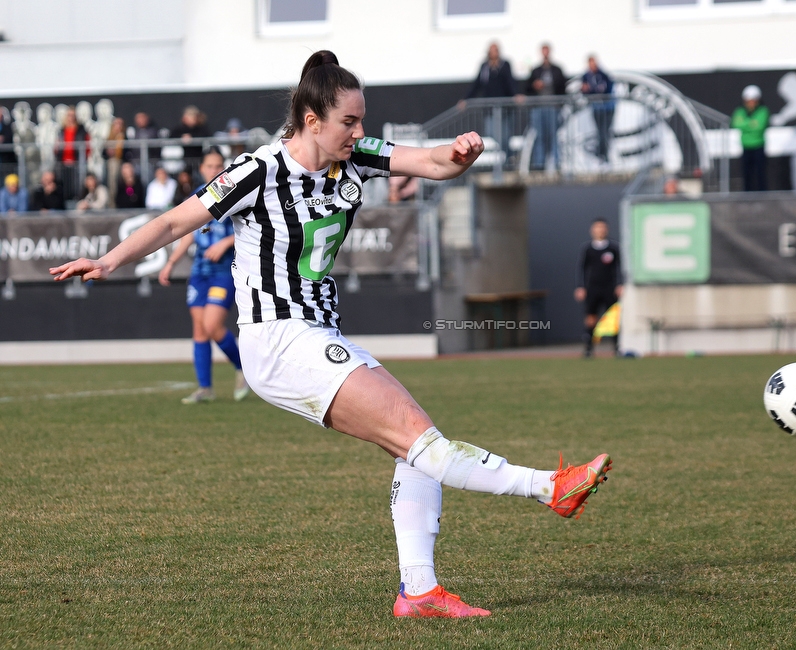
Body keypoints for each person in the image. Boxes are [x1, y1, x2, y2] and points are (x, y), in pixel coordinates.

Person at [50, 50, 613, 619]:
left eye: (362, 120)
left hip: (316, 334)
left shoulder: (358, 158)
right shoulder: (260, 170)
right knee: (424, 443)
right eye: (349, 121)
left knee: (414, 449)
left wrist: (462, 154)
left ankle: (418, 591)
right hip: (278, 338)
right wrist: (108, 260)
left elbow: (435, 163)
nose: (360, 132)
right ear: (312, 121)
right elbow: (175, 221)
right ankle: (550, 487)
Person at [158, 148, 249, 405]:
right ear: (202, 169)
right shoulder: (195, 197)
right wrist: (171, 263)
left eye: (219, 165)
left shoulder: (235, 193)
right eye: (210, 166)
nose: (215, 170)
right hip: (199, 273)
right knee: (199, 329)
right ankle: (205, 388)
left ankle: (243, 368)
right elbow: (187, 233)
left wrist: (226, 242)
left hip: (223, 272)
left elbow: (251, 228)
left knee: (212, 326)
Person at [459, 42, 520, 159]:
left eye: (496, 50)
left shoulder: (504, 65)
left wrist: (515, 94)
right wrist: (466, 99)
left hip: (504, 108)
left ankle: (508, 160)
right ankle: (511, 155)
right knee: (491, 131)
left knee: (505, 135)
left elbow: (510, 82)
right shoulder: (484, 67)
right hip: (490, 109)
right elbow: (477, 85)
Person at [574, 218, 623, 358]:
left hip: (610, 288)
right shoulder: (587, 249)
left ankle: (617, 348)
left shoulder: (613, 248)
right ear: (592, 230)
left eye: (602, 227)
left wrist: (620, 284)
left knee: (613, 318)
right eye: (597, 227)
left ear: (606, 229)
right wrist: (580, 287)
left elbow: (619, 267)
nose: (600, 230)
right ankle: (589, 348)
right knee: (591, 317)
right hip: (593, 288)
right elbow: (581, 268)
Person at [525, 43, 567, 171]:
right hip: (539, 108)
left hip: (553, 108)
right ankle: (540, 165)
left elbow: (562, 87)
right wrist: (534, 85)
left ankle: (556, 164)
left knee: (553, 137)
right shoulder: (536, 71)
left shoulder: (557, 70)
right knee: (540, 137)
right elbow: (527, 88)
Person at [731, 85, 769, 192]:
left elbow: (760, 126)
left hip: (759, 146)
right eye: (748, 101)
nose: (750, 103)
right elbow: (736, 123)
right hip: (746, 146)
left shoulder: (763, 111)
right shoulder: (740, 111)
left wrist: (745, 124)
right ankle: (747, 195)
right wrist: (751, 124)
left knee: (760, 173)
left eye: (753, 100)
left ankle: (763, 195)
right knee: (747, 174)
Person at [580, 55, 615, 164]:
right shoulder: (586, 76)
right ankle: (602, 154)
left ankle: (604, 154)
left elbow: (608, 88)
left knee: (605, 131)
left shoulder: (603, 75)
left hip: (607, 108)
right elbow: (585, 91)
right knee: (600, 131)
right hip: (596, 108)